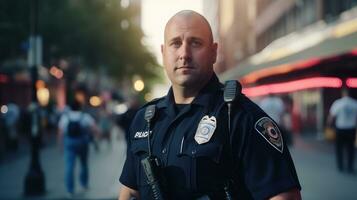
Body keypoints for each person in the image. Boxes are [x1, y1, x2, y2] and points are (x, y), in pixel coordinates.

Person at [119, 10, 301, 200]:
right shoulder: (145, 120)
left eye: (195, 43)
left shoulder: (240, 118)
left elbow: (284, 196)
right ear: (164, 53)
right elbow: (130, 191)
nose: (184, 54)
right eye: (176, 43)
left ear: (214, 52)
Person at [58, 100, 99, 196]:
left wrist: (60, 145)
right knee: (84, 164)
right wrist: (96, 137)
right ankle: (84, 184)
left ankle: (70, 189)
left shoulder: (65, 117)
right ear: (79, 107)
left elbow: (60, 132)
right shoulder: (84, 116)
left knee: (69, 166)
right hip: (82, 142)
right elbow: (94, 128)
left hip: (69, 142)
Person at [327, 88, 357, 173]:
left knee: (339, 149)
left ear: (343, 93)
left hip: (341, 129)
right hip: (352, 129)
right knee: (351, 148)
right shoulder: (356, 103)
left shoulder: (338, 103)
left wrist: (329, 125)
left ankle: (340, 166)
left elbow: (331, 116)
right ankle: (350, 166)